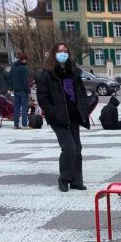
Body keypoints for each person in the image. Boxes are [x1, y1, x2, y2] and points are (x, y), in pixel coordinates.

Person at [36, 42, 92, 193]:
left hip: (73, 115)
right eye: (60, 51)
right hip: (58, 117)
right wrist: (52, 112)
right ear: (54, 53)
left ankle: (76, 180)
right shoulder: (46, 74)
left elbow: (80, 91)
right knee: (69, 148)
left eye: (65, 50)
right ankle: (64, 178)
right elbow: (42, 98)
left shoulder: (73, 71)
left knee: (77, 148)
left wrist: (84, 106)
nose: (63, 53)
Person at [9, 53, 30, 129]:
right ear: (23, 60)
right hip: (23, 91)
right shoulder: (24, 68)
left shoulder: (13, 67)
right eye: (26, 60)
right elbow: (25, 81)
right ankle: (24, 124)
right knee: (24, 108)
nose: (26, 61)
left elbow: (10, 78)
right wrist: (28, 91)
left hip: (16, 91)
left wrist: (11, 88)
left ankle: (16, 124)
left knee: (16, 108)